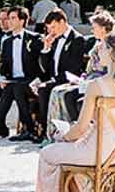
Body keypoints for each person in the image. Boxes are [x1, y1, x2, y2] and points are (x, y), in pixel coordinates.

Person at [34, 33, 115, 192]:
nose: (98, 50)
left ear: (112, 52)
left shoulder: (97, 85)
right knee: (65, 152)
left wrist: (63, 136)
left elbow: (80, 128)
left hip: (95, 152)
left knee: (48, 153)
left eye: (102, 47)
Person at [30, 11, 91, 142]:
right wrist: (46, 48)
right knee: (35, 88)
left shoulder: (77, 39)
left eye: (53, 27)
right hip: (54, 79)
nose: (51, 31)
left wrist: (51, 82)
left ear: (62, 22)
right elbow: (46, 68)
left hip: (69, 81)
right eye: (49, 28)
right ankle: (35, 129)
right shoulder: (55, 39)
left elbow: (74, 68)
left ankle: (46, 131)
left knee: (44, 90)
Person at [0, 6, 35, 141]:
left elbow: (40, 65)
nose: (9, 21)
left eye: (12, 18)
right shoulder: (7, 42)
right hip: (10, 80)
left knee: (12, 89)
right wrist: (2, 78)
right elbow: (4, 65)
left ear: (22, 21)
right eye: (8, 18)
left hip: (28, 80)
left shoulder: (34, 39)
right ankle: (1, 126)